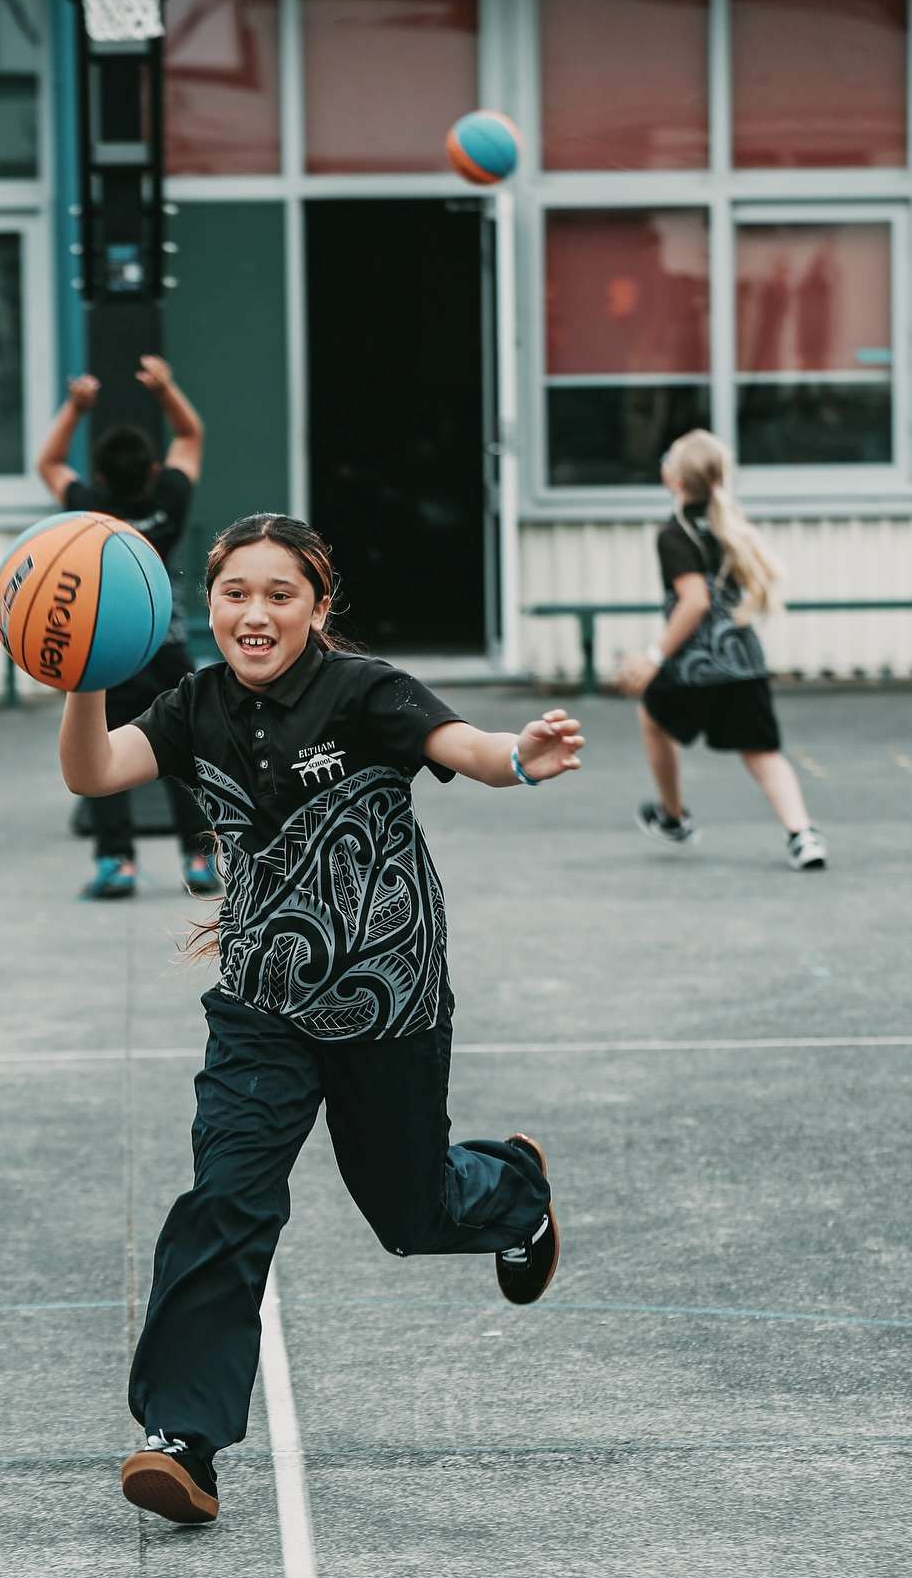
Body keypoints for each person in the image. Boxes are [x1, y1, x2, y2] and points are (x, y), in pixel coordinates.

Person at [58, 512, 585, 1525]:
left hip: (389, 1001)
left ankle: (513, 1192)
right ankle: (185, 1440)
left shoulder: (363, 692)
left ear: (317, 607)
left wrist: (518, 754)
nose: (254, 614)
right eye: (234, 595)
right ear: (208, 606)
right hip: (261, 1005)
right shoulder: (191, 704)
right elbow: (92, 774)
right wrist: (83, 673)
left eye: (279, 595)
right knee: (227, 1199)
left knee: (410, 1214)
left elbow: (464, 749)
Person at [36, 356, 218, 899]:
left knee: (101, 752)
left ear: (99, 478)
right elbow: (190, 433)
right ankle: (200, 857)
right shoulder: (170, 501)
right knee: (183, 753)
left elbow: (47, 462)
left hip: (107, 651)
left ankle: (118, 863)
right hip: (166, 647)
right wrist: (165, 388)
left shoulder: (90, 511)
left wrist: (75, 408)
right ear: (153, 472)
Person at [616, 429, 828, 872]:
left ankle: (673, 817)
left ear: (672, 480)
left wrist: (654, 657)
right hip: (743, 661)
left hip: (696, 666)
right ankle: (802, 834)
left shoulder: (675, 533)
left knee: (652, 717)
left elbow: (695, 601)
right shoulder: (727, 525)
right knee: (762, 753)